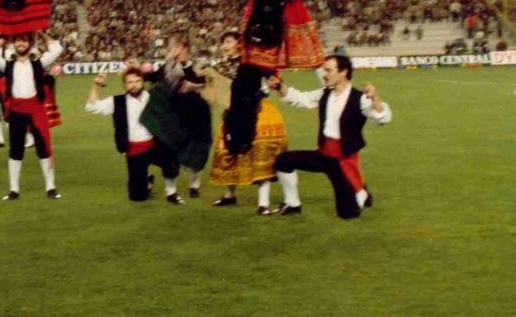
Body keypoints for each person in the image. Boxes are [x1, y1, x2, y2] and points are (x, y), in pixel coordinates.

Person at [224, 0, 326, 156]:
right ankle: (241, 138)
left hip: (280, 19)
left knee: (253, 80)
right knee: (242, 83)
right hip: (258, 19)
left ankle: (243, 134)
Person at [268, 55, 392, 219]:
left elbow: (383, 118)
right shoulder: (324, 93)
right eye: (324, 70)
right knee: (283, 161)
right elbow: (299, 99)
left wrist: (375, 97)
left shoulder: (360, 98)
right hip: (323, 155)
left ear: (343, 73)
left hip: (342, 161)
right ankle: (292, 204)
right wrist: (279, 86)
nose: (324, 74)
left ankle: (361, 191)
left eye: (328, 70)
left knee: (348, 214)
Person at [205, 31, 286, 214]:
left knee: (259, 153)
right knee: (229, 152)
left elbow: (273, 78)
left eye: (229, 41)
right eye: (223, 42)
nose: (225, 45)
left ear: (239, 44)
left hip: (257, 109)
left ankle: (263, 203)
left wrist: (265, 88)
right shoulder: (223, 65)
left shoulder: (253, 62)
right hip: (233, 112)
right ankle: (229, 195)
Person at [86, 68, 184, 204]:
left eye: (137, 81)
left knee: (172, 161)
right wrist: (96, 85)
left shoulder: (153, 97)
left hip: (155, 144)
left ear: (143, 82)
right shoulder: (118, 101)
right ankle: (146, 180)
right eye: (130, 82)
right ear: (125, 85)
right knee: (138, 197)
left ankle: (171, 193)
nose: (134, 85)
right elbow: (92, 107)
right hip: (134, 149)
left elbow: (173, 92)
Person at [0, 33, 64, 200]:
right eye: (17, 40)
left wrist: (42, 34)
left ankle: (50, 187)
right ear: (13, 44)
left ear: (30, 43)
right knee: (15, 150)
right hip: (16, 110)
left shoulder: (39, 62)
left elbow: (57, 49)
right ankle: (14, 189)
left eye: (24, 40)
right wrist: (5, 38)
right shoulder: (7, 64)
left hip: (36, 109)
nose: (20, 44)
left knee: (44, 148)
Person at [157, 36, 212, 197]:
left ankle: (194, 185)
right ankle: (171, 188)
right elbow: (155, 77)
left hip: (198, 113)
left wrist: (195, 85)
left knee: (198, 149)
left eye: (176, 48)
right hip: (176, 114)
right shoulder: (168, 67)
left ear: (185, 49)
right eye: (171, 49)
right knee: (172, 148)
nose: (173, 52)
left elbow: (207, 82)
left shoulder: (199, 65)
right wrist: (137, 71)